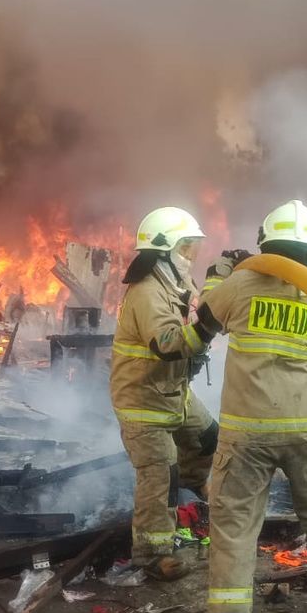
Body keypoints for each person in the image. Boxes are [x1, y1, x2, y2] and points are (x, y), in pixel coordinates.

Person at [195, 199, 307, 613]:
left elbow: (206, 318)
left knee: (234, 528)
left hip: (248, 431)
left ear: (265, 242)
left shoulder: (243, 283)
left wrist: (220, 274)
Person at [110, 206, 220, 582]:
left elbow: (199, 310)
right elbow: (169, 343)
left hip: (173, 391)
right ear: (164, 250)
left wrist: (221, 284)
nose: (191, 255)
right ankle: (152, 554)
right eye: (186, 248)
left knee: (208, 439)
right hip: (143, 399)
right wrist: (207, 325)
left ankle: (191, 487)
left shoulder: (173, 282)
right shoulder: (147, 292)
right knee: (160, 471)